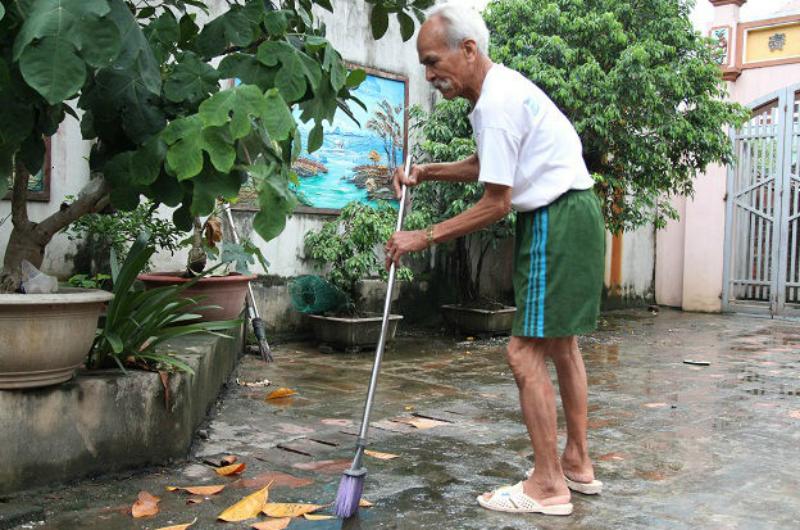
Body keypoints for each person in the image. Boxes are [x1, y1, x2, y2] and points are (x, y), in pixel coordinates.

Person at [385, 2, 605, 517]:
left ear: (468, 50)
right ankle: (576, 462)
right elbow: (489, 165)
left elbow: (496, 201)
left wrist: (424, 235)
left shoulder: (495, 105)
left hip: (554, 217)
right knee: (562, 346)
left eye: (434, 61)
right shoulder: (503, 88)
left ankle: (548, 485)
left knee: (524, 354)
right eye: (424, 64)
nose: (430, 74)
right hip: (573, 211)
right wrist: (428, 171)